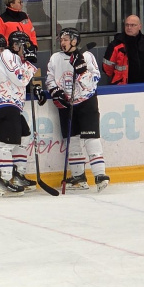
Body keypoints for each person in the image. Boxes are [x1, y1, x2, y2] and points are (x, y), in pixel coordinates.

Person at [46, 27, 108, 191]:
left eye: (65, 39)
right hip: (66, 104)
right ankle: (78, 177)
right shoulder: (55, 58)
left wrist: (82, 71)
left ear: (74, 41)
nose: (62, 42)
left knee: (91, 138)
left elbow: (94, 81)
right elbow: (50, 79)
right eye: (61, 39)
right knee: (71, 140)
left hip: (86, 101)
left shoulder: (86, 56)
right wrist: (55, 91)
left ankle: (100, 175)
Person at [0, 30, 39, 196]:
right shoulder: (6, 55)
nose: (27, 49)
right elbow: (20, 79)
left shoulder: (16, 59)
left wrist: (35, 87)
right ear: (16, 45)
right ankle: (4, 181)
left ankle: (17, 175)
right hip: (3, 102)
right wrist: (30, 64)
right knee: (6, 144)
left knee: (23, 134)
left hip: (12, 103)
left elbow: (21, 81)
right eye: (25, 46)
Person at [102, 15, 144, 84]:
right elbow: (107, 68)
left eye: (132, 25)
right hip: (122, 86)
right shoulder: (116, 45)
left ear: (139, 26)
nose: (129, 28)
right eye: (127, 25)